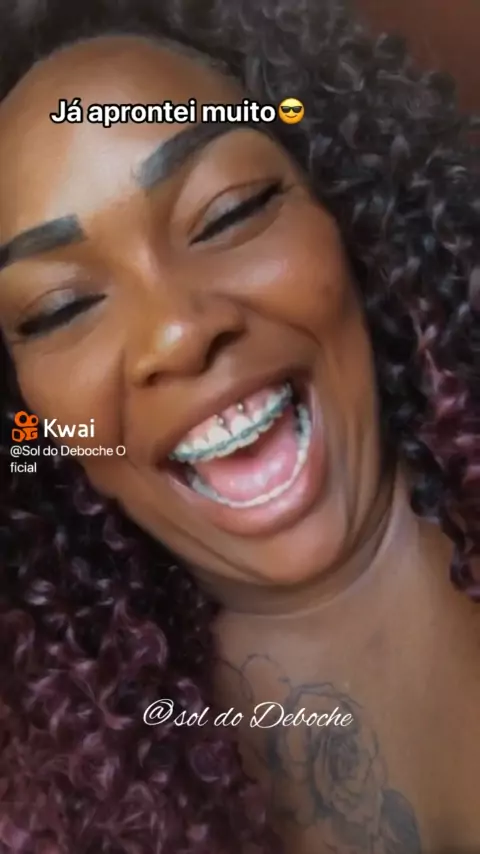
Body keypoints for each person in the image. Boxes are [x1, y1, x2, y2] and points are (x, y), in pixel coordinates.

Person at [0, 0, 478, 851]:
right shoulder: (61, 791)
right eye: (60, 308)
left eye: (229, 212)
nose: (177, 332)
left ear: (347, 209)